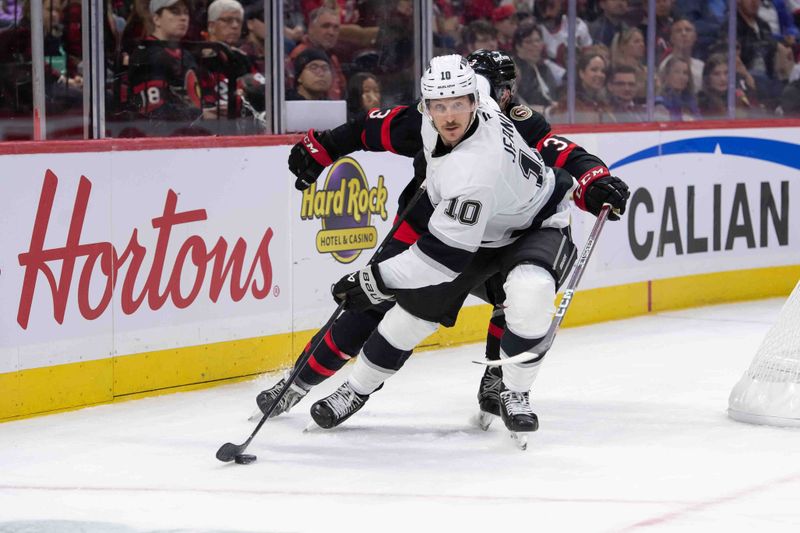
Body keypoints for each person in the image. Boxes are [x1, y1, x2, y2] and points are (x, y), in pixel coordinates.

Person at [255, 50, 628, 436]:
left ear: (476, 99)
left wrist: (593, 181)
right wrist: (325, 146)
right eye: (439, 106)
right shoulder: (446, 106)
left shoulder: (503, 134)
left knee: (521, 293)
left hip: (507, 226)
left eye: (461, 102)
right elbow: (372, 128)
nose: (449, 115)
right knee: (380, 305)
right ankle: (303, 381)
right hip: (438, 219)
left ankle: (502, 382)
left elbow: (561, 154)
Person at [127, 0, 205, 134]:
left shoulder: (186, 55)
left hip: (188, 136)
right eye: (175, 12)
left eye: (186, 12)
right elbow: (155, 111)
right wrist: (201, 114)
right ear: (156, 19)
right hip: (156, 142)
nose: (183, 17)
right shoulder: (146, 54)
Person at [286, 6, 346, 100]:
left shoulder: (333, 58)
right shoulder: (299, 55)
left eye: (336, 28)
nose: (331, 32)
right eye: (325, 26)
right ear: (310, 28)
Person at [513, 22, 564, 113]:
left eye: (538, 40)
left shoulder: (544, 68)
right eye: (529, 42)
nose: (535, 45)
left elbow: (554, 95)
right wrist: (547, 109)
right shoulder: (514, 70)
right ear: (518, 46)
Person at [658, 18, 704, 95]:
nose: (684, 34)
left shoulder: (701, 65)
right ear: (672, 38)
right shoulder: (666, 65)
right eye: (678, 31)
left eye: (688, 30)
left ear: (695, 37)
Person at [654, 55, 700, 120]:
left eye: (685, 73)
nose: (682, 77)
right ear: (667, 75)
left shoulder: (691, 101)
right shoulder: (659, 102)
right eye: (677, 72)